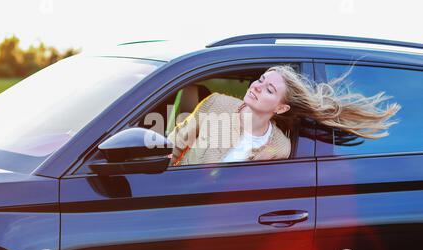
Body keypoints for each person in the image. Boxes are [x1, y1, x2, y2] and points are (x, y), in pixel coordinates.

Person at [167, 65, 401, 166]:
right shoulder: (216, 104)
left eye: (269, 89)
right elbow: (173, 149)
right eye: (261, 80)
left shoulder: (281, 147)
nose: (257, 86)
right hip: (184, 202)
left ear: (280, 108)